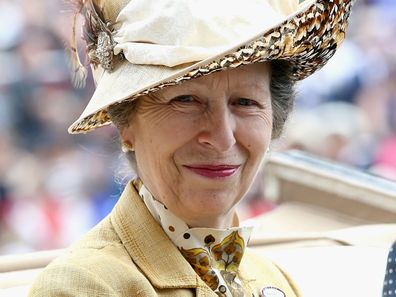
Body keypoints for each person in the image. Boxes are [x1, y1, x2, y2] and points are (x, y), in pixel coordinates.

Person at [29, 0, 355, 296]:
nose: (222, 136)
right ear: (126, 123)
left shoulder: (272, 280)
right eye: (186, 100)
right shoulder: (84, 286)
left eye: (245, 102)